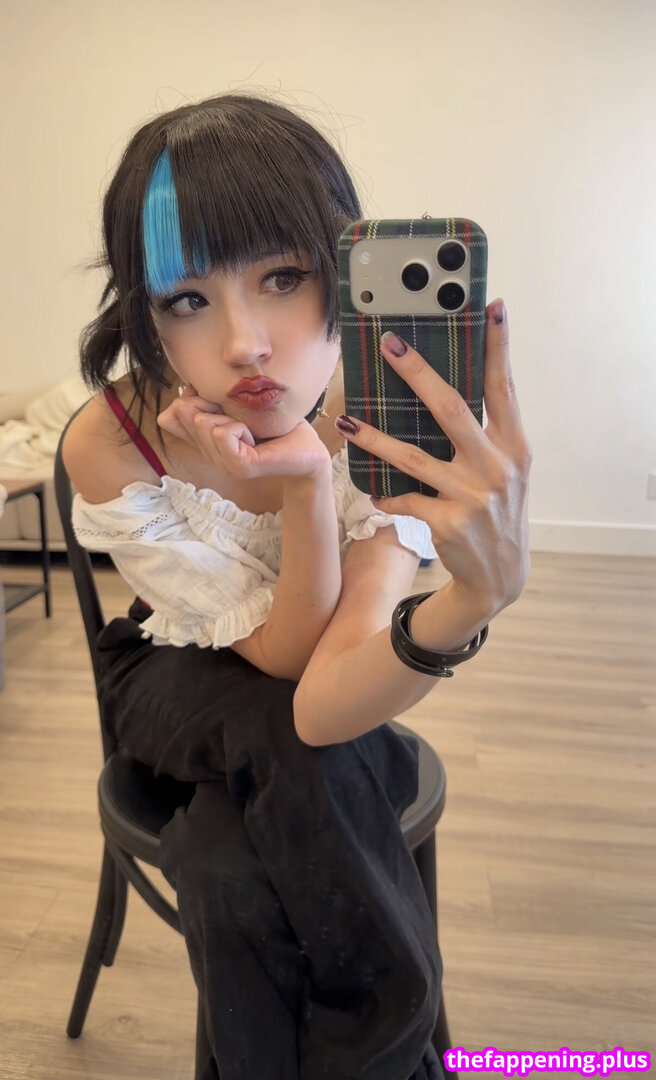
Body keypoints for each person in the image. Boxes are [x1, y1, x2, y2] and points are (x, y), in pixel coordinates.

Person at [63, 93, 531, 1080]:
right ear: (144, 311)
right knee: (302, 740)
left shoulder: (385, 416)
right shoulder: (113, 438)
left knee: (227, 870)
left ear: (344, 269)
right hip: (174, 667)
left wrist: (459, 594)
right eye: (186, 299)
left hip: (309, 712)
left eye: (281, 277)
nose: (244, 342)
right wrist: (307, 488)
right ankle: (409, 1059)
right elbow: (284, 665)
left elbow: (320, 689)